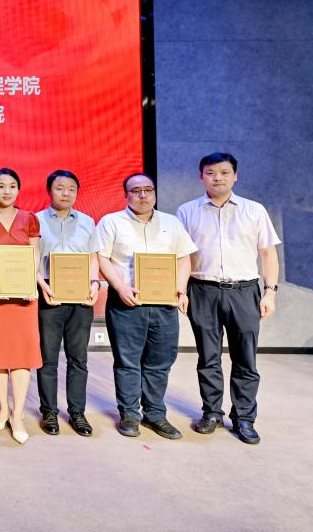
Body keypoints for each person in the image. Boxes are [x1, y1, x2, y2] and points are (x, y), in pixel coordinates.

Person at [176, 152, 280, 445]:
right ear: (201, 177)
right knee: (208, 357)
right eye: (210, 173)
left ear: (235, 176)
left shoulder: (254, 210)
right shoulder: (187, 211)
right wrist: (181, 290)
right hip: (202, 290)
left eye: (224, 172)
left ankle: (244, 417)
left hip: (244, 291)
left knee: (245, 358)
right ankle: (211, 413)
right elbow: (181, 256)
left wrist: (270, 292)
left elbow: (268, 253)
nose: (217, 178)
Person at [97, 173, 196, 440]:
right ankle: (129, 414)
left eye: (148, 190)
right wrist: (120, 287)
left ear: (154, 193)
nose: (143, 195)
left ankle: (155, 414)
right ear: (126, 195)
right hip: (127, 303)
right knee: (128, 361)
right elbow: (102, 258)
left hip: (164, 304)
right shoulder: (111, 222)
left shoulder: (172, 223)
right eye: (136, 191)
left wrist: (181, 288)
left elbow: (184, 259)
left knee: (160, 362)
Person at [35, 170, 103, 438]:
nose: (66, 193)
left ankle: (77, 412)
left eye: (71, 189)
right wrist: (42, 285)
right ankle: (49, 411)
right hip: (49, 291)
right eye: (60, 188)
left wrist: (95, 283)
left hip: (81, 294)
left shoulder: (87, 221)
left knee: (78, 358)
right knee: (48, 357)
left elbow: (93, 258)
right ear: (49, 190)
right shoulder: (36, 220)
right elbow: (32, 258)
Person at [0, 167, 42, 445]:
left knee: (22, 354)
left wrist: (28, 281)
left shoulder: (29, 218)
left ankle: (18, 415)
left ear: (18, 189)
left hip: (23, 295)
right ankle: (3, 408)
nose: (7, 191)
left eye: (12, 186)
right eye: (1, 186)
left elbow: (35, 254)